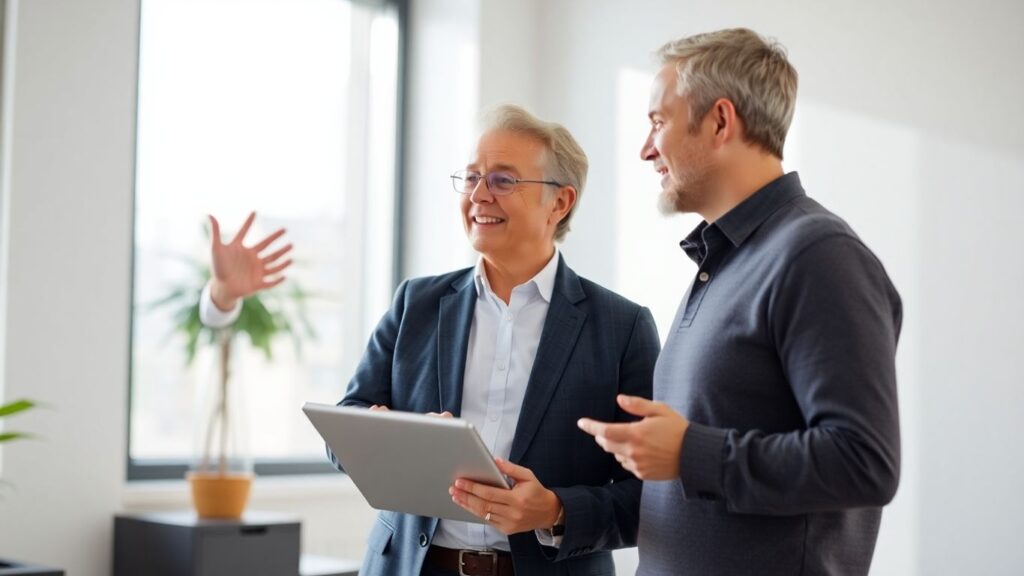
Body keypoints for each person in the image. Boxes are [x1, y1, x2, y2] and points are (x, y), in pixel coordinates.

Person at [201, 105, 661, 576]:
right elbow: (347, 424)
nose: (479, 195)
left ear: (559, 203)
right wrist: (381, 436)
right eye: (470, 178)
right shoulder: (415, 303)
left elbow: (650, 497)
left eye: (503, 180)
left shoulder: (621, 327)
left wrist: (555, 511)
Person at [577, 28, 902, 576]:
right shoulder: (724, 260)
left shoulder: (818, 256)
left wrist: (690, 453)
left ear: (721, 121)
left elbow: (863, 462)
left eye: (658, 121)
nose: (646, 148)